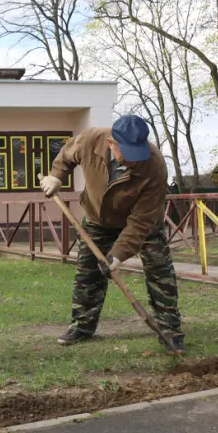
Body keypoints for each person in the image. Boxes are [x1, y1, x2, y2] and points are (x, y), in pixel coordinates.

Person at [39, 115, 185, 354]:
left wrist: (117, 255)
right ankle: (82, 326)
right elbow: (66, 155)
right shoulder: (90, 140)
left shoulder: (154, 165)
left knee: (160, 272)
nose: (133, 160)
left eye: (137, 153)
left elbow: (141, 221)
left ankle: (170, 330)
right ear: (111, 143)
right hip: (98, 219)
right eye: (126, 153)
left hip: (144, 223)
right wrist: (56, 176)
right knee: (88, 272)